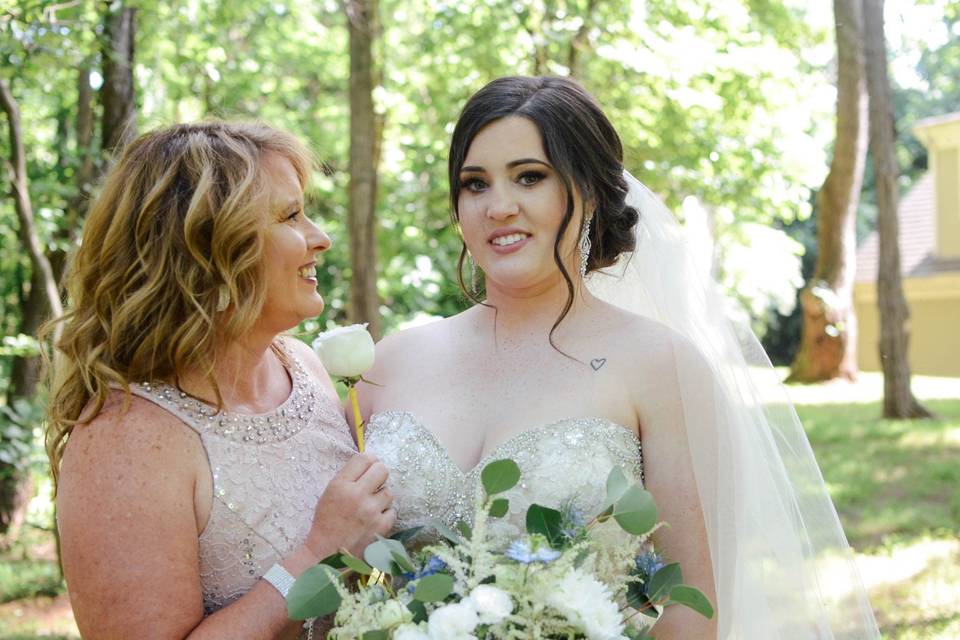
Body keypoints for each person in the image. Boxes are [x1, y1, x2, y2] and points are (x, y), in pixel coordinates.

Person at [359, 76, 880, 638]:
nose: (498, 206)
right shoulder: (389, 364)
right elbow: (347, 577)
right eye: (475, 184)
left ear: (587, 191)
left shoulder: (660, 366)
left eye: (529, 177)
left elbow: (692, 605)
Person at [44, 122, 395, 639]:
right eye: (291, 215)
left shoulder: (307, 368)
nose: (321, 238)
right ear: (208, 251)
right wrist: (321, 553)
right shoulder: (125, 438)